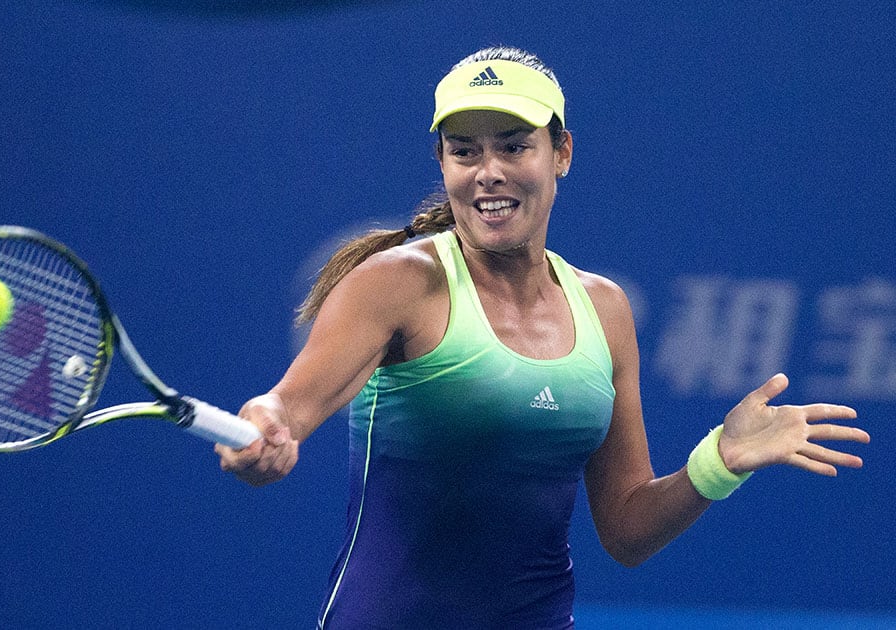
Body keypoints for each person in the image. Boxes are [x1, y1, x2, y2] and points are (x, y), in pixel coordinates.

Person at [214, 46, 870, 629]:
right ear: (442, 163)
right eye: (464, 151)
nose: (489, 171)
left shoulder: (604, 309)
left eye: (513, 145)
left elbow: (627, 528)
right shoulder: (396, 284)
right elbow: (289, 406)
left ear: (561, 153)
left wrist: (718, 462)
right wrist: (265, 428)